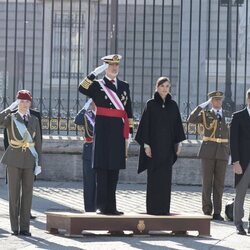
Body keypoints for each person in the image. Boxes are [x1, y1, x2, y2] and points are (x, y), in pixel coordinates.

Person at [78, 54, 133, 215]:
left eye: (116, 65)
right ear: (105, 67)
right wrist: (94, 73)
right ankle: (102, 206)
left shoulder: (124, 86)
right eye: (111, 65)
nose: (114, 68)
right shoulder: (97, 85)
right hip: (102, 129)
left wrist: (129, 132)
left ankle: (112, 206)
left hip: (117, 130)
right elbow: (82, 88)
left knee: (114, 170)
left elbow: (127, 110)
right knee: (102, 170)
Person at [135, 77, 186, 215]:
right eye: (162, 86)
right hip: (153, 150)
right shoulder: (150, 104)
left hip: (168, 150)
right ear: (157, 87)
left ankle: (164, 209)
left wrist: (179, 143)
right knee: (153, 179)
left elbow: (177, 127)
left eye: (167, 86)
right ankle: (152, 209)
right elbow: (145, 126)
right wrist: (146, 145)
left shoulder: (173, 105)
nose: (165, 88)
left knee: (165, 180)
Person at [0, 90, 42, 236]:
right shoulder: (11, 118)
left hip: (29, 160)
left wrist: (39, 163)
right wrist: (9, 108)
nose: (24, 104)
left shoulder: (34, 120)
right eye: (21, 101)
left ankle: (25, 228)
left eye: (27, 101)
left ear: (30, 103)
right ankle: (14, 228)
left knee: (28, 195)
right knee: (14, 195)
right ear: (18, 102)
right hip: (13, 159)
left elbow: (38, 143)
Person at [187, 91, 230, 221]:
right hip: (208, 152)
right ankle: (207, 210)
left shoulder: (227, 115)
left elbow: (231, 135)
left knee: (219, 184)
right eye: (215, 100)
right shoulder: (205, 114)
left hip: (222, 152)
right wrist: (201, 106)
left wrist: (231, 154)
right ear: (211, 101)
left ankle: (217, 212)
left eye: (220, 100)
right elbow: (190, 120)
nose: (218, 102)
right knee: (207, 182)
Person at [230, 89, 250, 235]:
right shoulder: (238, 116)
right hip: (243, 162)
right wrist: (235, 162)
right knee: (241, 193)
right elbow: (233, 142)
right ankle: (238, 223)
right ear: (248, 99)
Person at [74, 99, 96, 212]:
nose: (94, 105)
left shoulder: (104, 115)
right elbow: (77, 120)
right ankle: (89, 209)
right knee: (89, 181)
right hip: (89, 150)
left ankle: (99, 206)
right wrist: (84, 107)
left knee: (100, 181)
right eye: (92, 103)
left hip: (101, 151)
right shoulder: (87, 115)